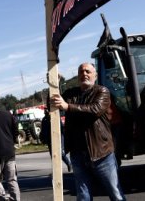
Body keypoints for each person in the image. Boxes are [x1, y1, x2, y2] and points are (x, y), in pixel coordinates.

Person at [50, 63, 125, 201]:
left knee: (115, 193)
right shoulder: (71, 94)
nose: (84, 74)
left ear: (95, 76)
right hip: (78, 154)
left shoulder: (102, 91)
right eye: (81, 71)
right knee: (83, 195)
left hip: (101, 154)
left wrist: (68, 106)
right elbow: (54, 104)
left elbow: (94, 110)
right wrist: (55, 84)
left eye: (87, 71)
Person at [39, 107, 72, 172]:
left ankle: (69, 163)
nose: (46, 111)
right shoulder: (44, 120)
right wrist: (42, 138)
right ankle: (57, 171)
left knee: (61, 153)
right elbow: (43, 131)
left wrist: (64, 137)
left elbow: (62, 128)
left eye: (47, 110)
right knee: (53, 156)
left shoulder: (55, 117)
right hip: (49, 140)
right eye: (45, 110)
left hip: (59, 137)